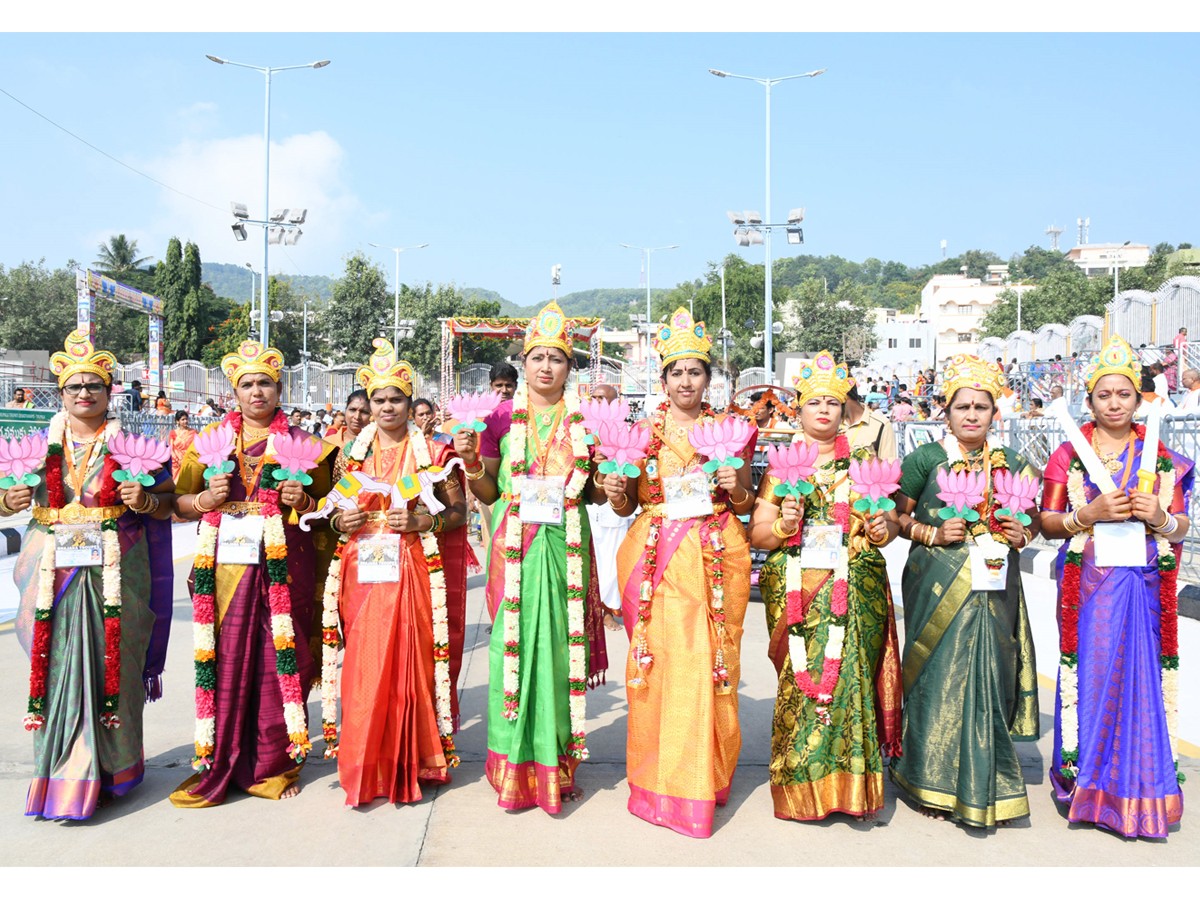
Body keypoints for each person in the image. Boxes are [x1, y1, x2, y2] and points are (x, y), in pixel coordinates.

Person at [4, 330, 174, 820]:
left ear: (109, 393)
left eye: (94, 386)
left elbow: (167, 506)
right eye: (74, 387)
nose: (84, 394)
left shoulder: (133, 448)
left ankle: (114, 771)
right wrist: (7, 501)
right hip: (53, 575)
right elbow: (9, 494)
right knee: (59, 669)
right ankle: (64, 776)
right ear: (60, 394)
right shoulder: (38, 448)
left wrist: (145, 502)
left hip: (116, 575)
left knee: (111, 669)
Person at [602, 308, 755, 838]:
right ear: (663, 380)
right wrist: (619, 496)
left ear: (709, 378)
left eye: (695, 371)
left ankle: (701, 778)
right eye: (676, 372)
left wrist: (736, 485)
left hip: (715, 557)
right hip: (657, 562)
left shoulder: (731, 432)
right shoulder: (643, 434)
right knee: (663, 666)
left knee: (708, 665)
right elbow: (628, 508)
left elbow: (743, 503)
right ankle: (660, 781)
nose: (686, 381)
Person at [453, 301, 608, 814]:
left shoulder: (588, 421)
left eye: (557, 359)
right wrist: (472, 461)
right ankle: (512, 766)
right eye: (537, 357)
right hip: (513, 550)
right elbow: (490, 491)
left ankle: (557, 765)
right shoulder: (499, 418)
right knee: (510, 650)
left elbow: (598, 496)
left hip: (566, 549)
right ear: (523, 362)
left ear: (570, 366)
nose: (546, 367)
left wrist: (609, 480)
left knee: (562, 654)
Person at [170, 340, 335, 807]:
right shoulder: (209, 445)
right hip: (226, 570)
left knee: (283, 659)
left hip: (286, 568)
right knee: (227, 658)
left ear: (279, 389)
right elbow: (177, 504)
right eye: (247, 384)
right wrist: (206, 499)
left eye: (265, 382)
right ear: (234, 391)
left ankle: (272, 764)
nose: (257, 391)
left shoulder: (307, 447)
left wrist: (302, 502)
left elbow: (326, 515)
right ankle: (221, 754)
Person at [1039, 336, 1192, 839]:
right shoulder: (1069, 454)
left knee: (1141, 678)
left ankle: (1142, 782)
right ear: (1090, 401)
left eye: (1123, 394)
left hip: (1145, 584)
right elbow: (1047, 522)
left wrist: (1162, 517)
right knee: (1092, 675)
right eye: (1103, 394)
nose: (1113, 403)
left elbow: (1182, 527)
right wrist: (1088, 514)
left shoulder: (1163, 457)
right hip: (1088, 585)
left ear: (1139, 398)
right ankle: (1085, 782)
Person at [750, 351, 902, 823]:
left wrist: (881, 529)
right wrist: (782, 526)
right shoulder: (783, 467)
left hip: (853, 587)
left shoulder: (863, 463)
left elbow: (891, 523)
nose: (823, 410)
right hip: (798, 589)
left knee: (850, 682)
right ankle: (800, 785)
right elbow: (757, 532)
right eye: (813, 401)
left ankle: (851, 789)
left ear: (844, 411)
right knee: (803, 684)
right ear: (798, 407)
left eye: (832, 404)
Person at [891, 354, 1039, 827]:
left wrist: (1024, 534)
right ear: (946, 412)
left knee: (988, 677)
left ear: (995, 413)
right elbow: (896, 517)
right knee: (936, 677)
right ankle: (925, 777)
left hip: (994, 590)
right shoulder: (926, 459)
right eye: (962, 407)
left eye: (981, 406)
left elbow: (1032, 518)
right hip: (935, 584)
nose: (972, 415)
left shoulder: (1013, 463)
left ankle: (988, 781)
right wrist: (932, 534)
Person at [318, 340, 467, 806]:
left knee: (412, 662)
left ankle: (414, 760)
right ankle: (366, 763)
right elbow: (334, 511)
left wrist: (425, 521)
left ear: (410, 402)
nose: (386, 407)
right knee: (364, 663)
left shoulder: (435, 454)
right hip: (362, 569)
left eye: (396, 399)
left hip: (415, 567)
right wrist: (342, 521)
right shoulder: (352, 455)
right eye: (379, 400)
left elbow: (460, 510)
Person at [586, 382, 632, 632]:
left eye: (603, 399)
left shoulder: (624, 432)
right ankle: (588, 610)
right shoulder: (580, 431)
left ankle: (607, 611)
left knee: (611, 562)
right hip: (587, 506)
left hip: (614, 506)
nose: (597, 404)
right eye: (593, 399)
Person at [168, 410, 197, 479]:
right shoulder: (173, 433)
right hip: (177, 461)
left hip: (190, 459)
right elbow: (172, 449)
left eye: (186, 419)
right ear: (177, 421)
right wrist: (178, 460)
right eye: (183, 419)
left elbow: (196, 447)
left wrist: (187, 458)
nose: (185, 421)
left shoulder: (193, 432)